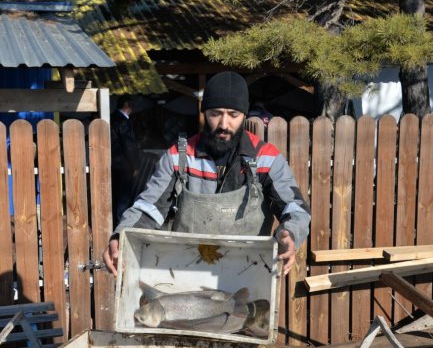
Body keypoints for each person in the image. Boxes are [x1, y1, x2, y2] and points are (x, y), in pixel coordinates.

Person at [102, 71, 310, 277]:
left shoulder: (266, 158)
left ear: (245, 115)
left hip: (249, 271)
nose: (223, 124)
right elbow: (149, 207)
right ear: (204, 112)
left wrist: (290, 233)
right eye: (215, 113)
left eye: (233, 115)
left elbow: (296, 208)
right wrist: (122, 235)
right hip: (186, 272)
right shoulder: (179, 157)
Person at [110, 94, 141, 225]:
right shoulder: (123, 121)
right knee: (123, 199)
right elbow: (129, 145)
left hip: (111, 164)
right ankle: (120, 228)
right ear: (127, 105)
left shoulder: (110, 118)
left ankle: (112, 224)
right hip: (123, 166)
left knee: (113, 196)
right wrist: (135, 166)